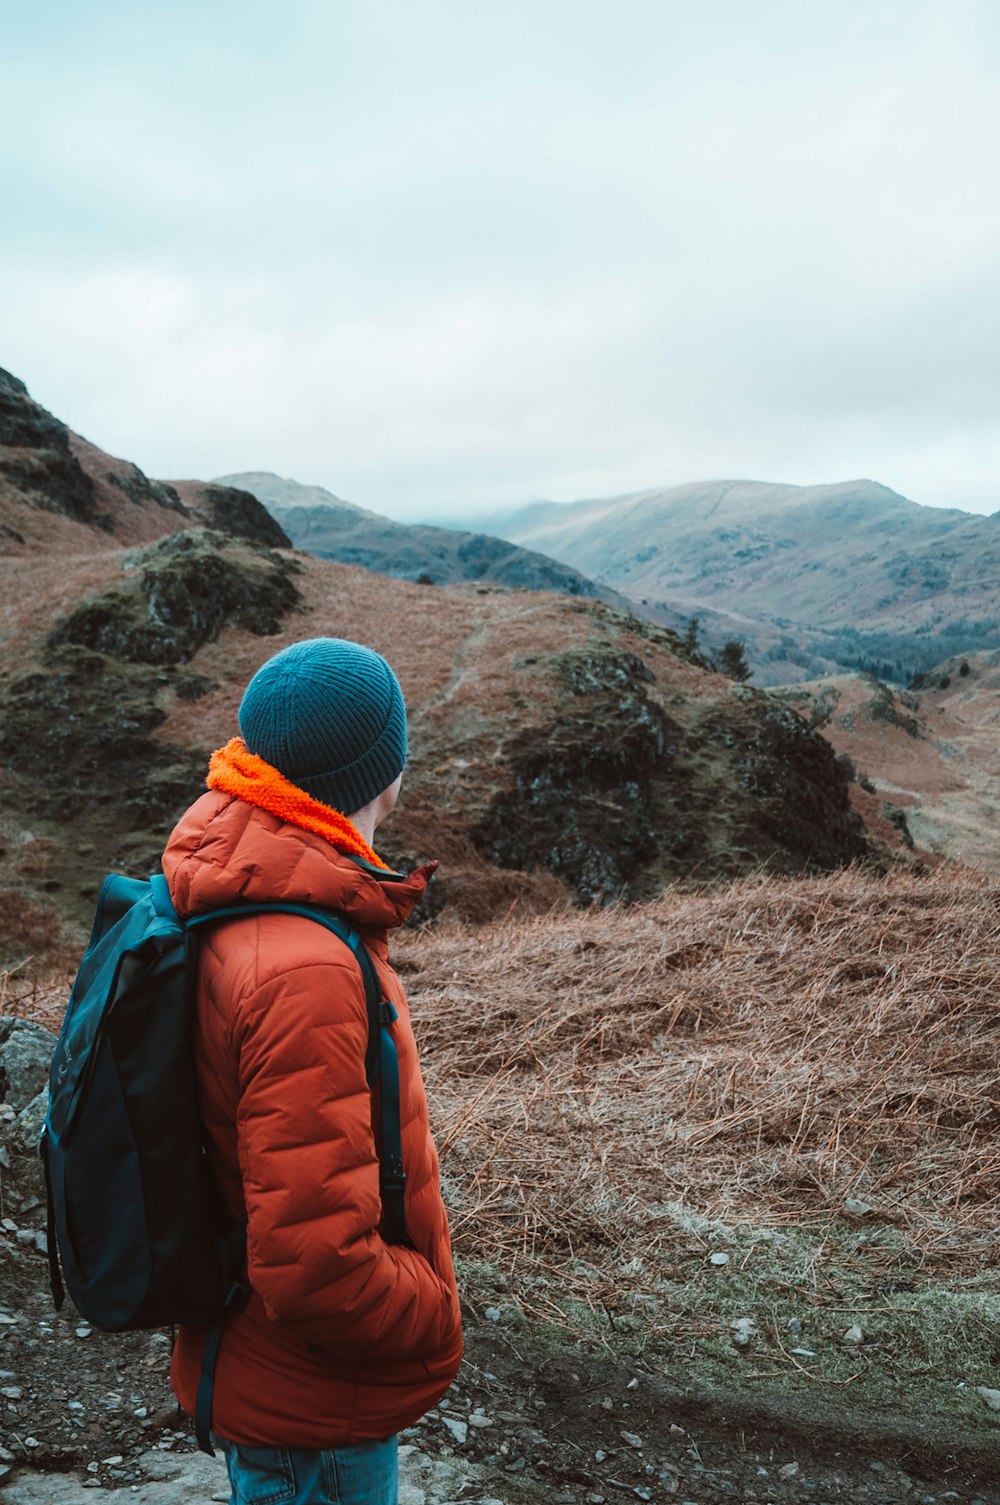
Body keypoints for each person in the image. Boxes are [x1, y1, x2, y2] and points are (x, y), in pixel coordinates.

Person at [160, 637, 462, 1505]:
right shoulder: (306, 965)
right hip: (315, 1404)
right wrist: (433, 1311)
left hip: (265, 1366)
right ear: (384, 770)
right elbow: (317, 1265)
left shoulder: (246, 883)